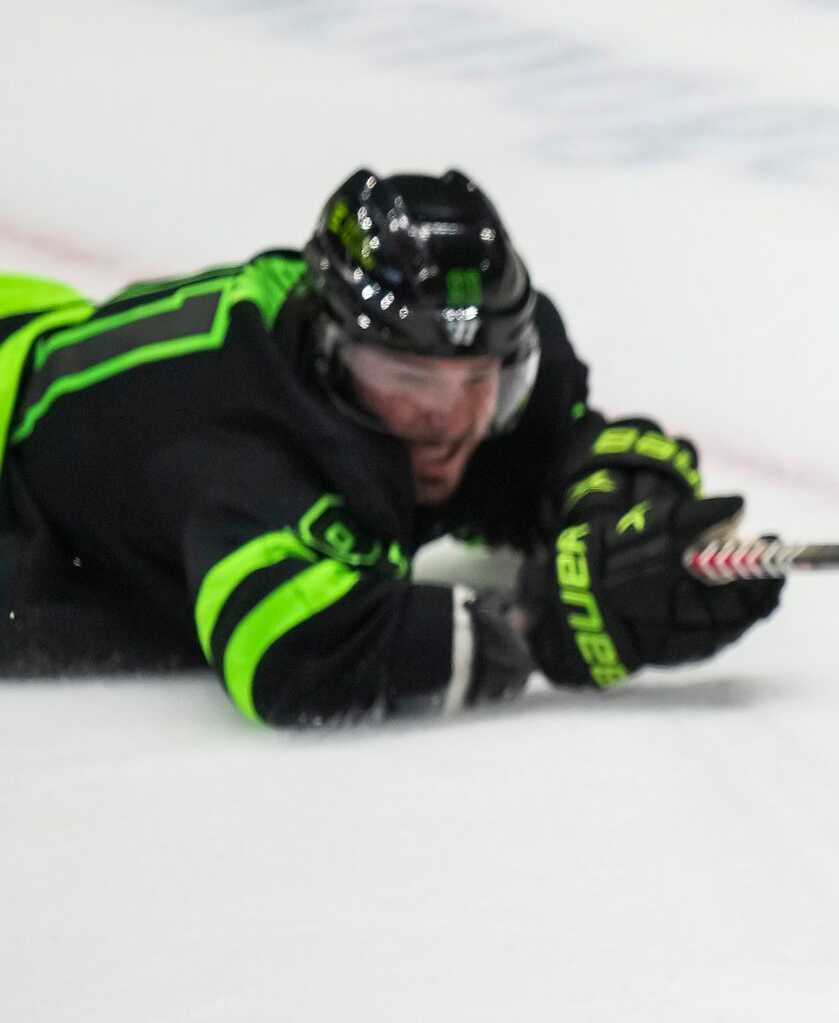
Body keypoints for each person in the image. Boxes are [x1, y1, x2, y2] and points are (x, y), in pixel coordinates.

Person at [0, 169, 782, 724]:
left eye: (480, 383)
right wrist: (537, 632)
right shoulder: (240, 447)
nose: (449, 422)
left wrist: (618, 504)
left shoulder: (441, 390)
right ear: (328, 348)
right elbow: (290, 654)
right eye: (407, 378)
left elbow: (571, 446)